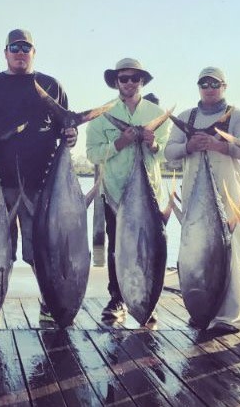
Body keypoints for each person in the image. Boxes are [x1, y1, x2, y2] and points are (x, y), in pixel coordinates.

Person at [0, 29, 77, 323]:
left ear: (33, 53)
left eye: (26, 48)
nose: (20, 53)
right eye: (14, 47)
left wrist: (71, 134)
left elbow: (65, 125)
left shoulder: (51, 85)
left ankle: (51, 303)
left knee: (41, 249)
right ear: (5, 53)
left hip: (41, 183)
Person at [164, 66, 240, 334]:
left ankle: (230, 316)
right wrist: (189, 146)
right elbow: (169, 152)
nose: (209, 88)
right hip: (194, 195)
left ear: (224, 86)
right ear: (199, 87)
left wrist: (218, 146)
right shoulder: (185, 117)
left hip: (228, 197)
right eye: (204, 83)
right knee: (195, 252)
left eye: (215, 83)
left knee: (231, 251)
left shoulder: (238, 116)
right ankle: (201, 310)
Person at [86, 58, 169, 321]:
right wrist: (120, 142)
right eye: (124, 78)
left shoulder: (157, 113)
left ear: (142, 81)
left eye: (135, 78)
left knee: (153, 246)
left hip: (150, 194)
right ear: (116, 82)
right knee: (117, 247)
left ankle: (149, 298)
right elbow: (92, 154)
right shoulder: (101, 115)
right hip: (115, 192)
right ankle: (117, 299)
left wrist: (153, 144)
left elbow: (168, 153)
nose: (130, 83)